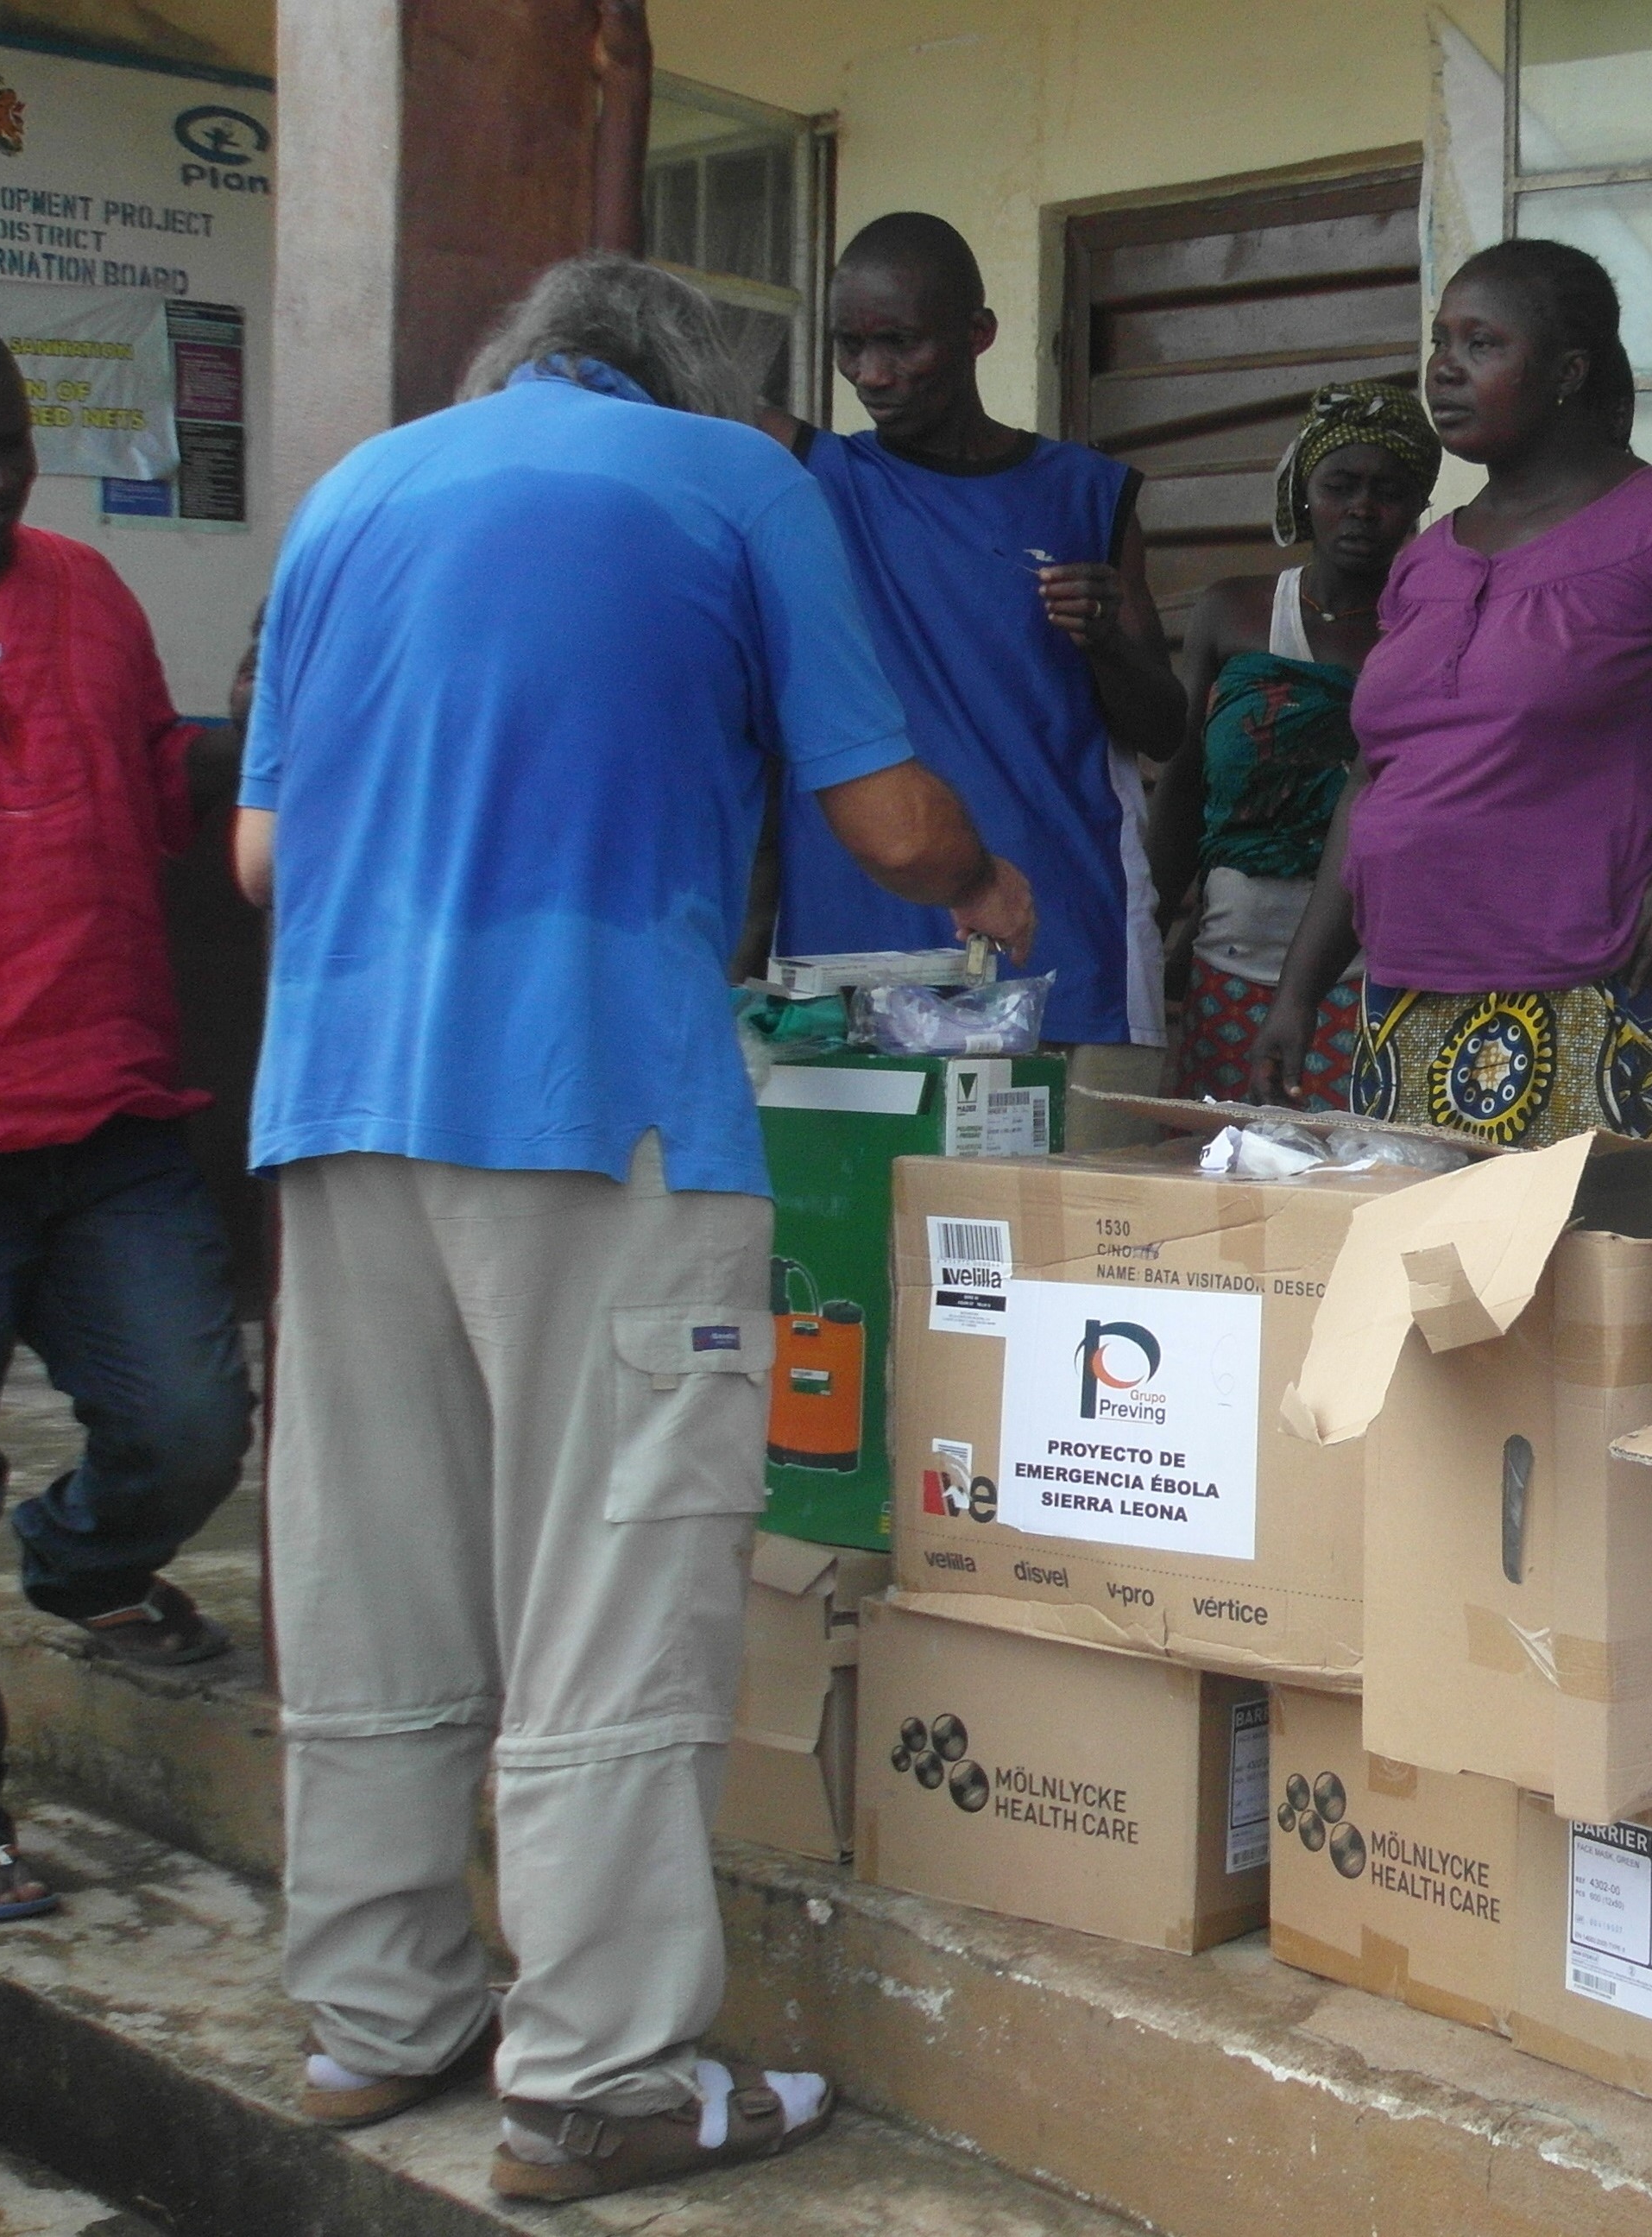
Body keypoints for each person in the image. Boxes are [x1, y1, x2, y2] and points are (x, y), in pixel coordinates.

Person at [235, 255, 1033, 2202]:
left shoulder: (352, 491)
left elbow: (260, 853)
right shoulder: (739, 478)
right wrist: (998, 887)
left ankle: (377, 2014)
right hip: (600, 1098)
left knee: (374, 1566)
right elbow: (888, 823)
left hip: (338, 1102)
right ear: (699, 382)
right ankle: (596, 2073)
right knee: (614, 1573)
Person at [0, 295, 251, 1927]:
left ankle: (85, 1565)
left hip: (110, 1110)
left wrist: (261, 728)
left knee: (193, 1422)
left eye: (9, 443)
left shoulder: (87, 590)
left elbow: (158, 786)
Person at [1252, 241, 1652, 1144]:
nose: (1444, 368)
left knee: (1586, 1236)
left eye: (1481, 344)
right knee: (1422, 1239)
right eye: (1440, 342)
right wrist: (1299, 987)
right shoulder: (1425, 560)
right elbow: (1374, 779)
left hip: (1593, 991)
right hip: (1406, 996)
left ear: (1567, 372)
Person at [762, 212, 1183, 1141]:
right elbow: (649, 365)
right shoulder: (814, 478)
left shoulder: (1086, 493)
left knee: (1072, 1222)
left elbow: (1164, 726)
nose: (871, 374)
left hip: (1062, 952)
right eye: (849, 345)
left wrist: (1107, 636)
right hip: (854, 961)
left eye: (899, 342)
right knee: (856, 1228)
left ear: (978, 334)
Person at [1148, 382, 1439, 1106]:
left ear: (1418, 507)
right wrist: (1148, 930)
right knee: (1220, 1163)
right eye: (1341, 486)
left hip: (1380, 978)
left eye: (1390, 492)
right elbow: (1183, 783)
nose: (1363, 508)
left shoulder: (1429, 629)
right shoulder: (1234, 612)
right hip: (1229, 961)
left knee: (1358, 1165)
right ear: (1305, 491)